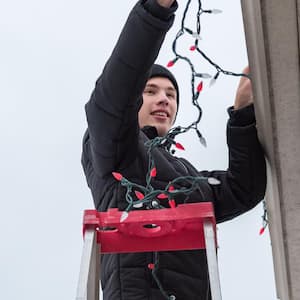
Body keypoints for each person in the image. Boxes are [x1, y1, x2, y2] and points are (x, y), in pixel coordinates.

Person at [81, 0, 266, 299]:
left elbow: (243, 189)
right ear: (133, 99)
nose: (164, 99)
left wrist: (243, 115)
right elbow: (110, 103)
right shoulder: (114, 148)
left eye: (171, 94)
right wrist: (155, 9)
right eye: (150, 91)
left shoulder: (188, 177)